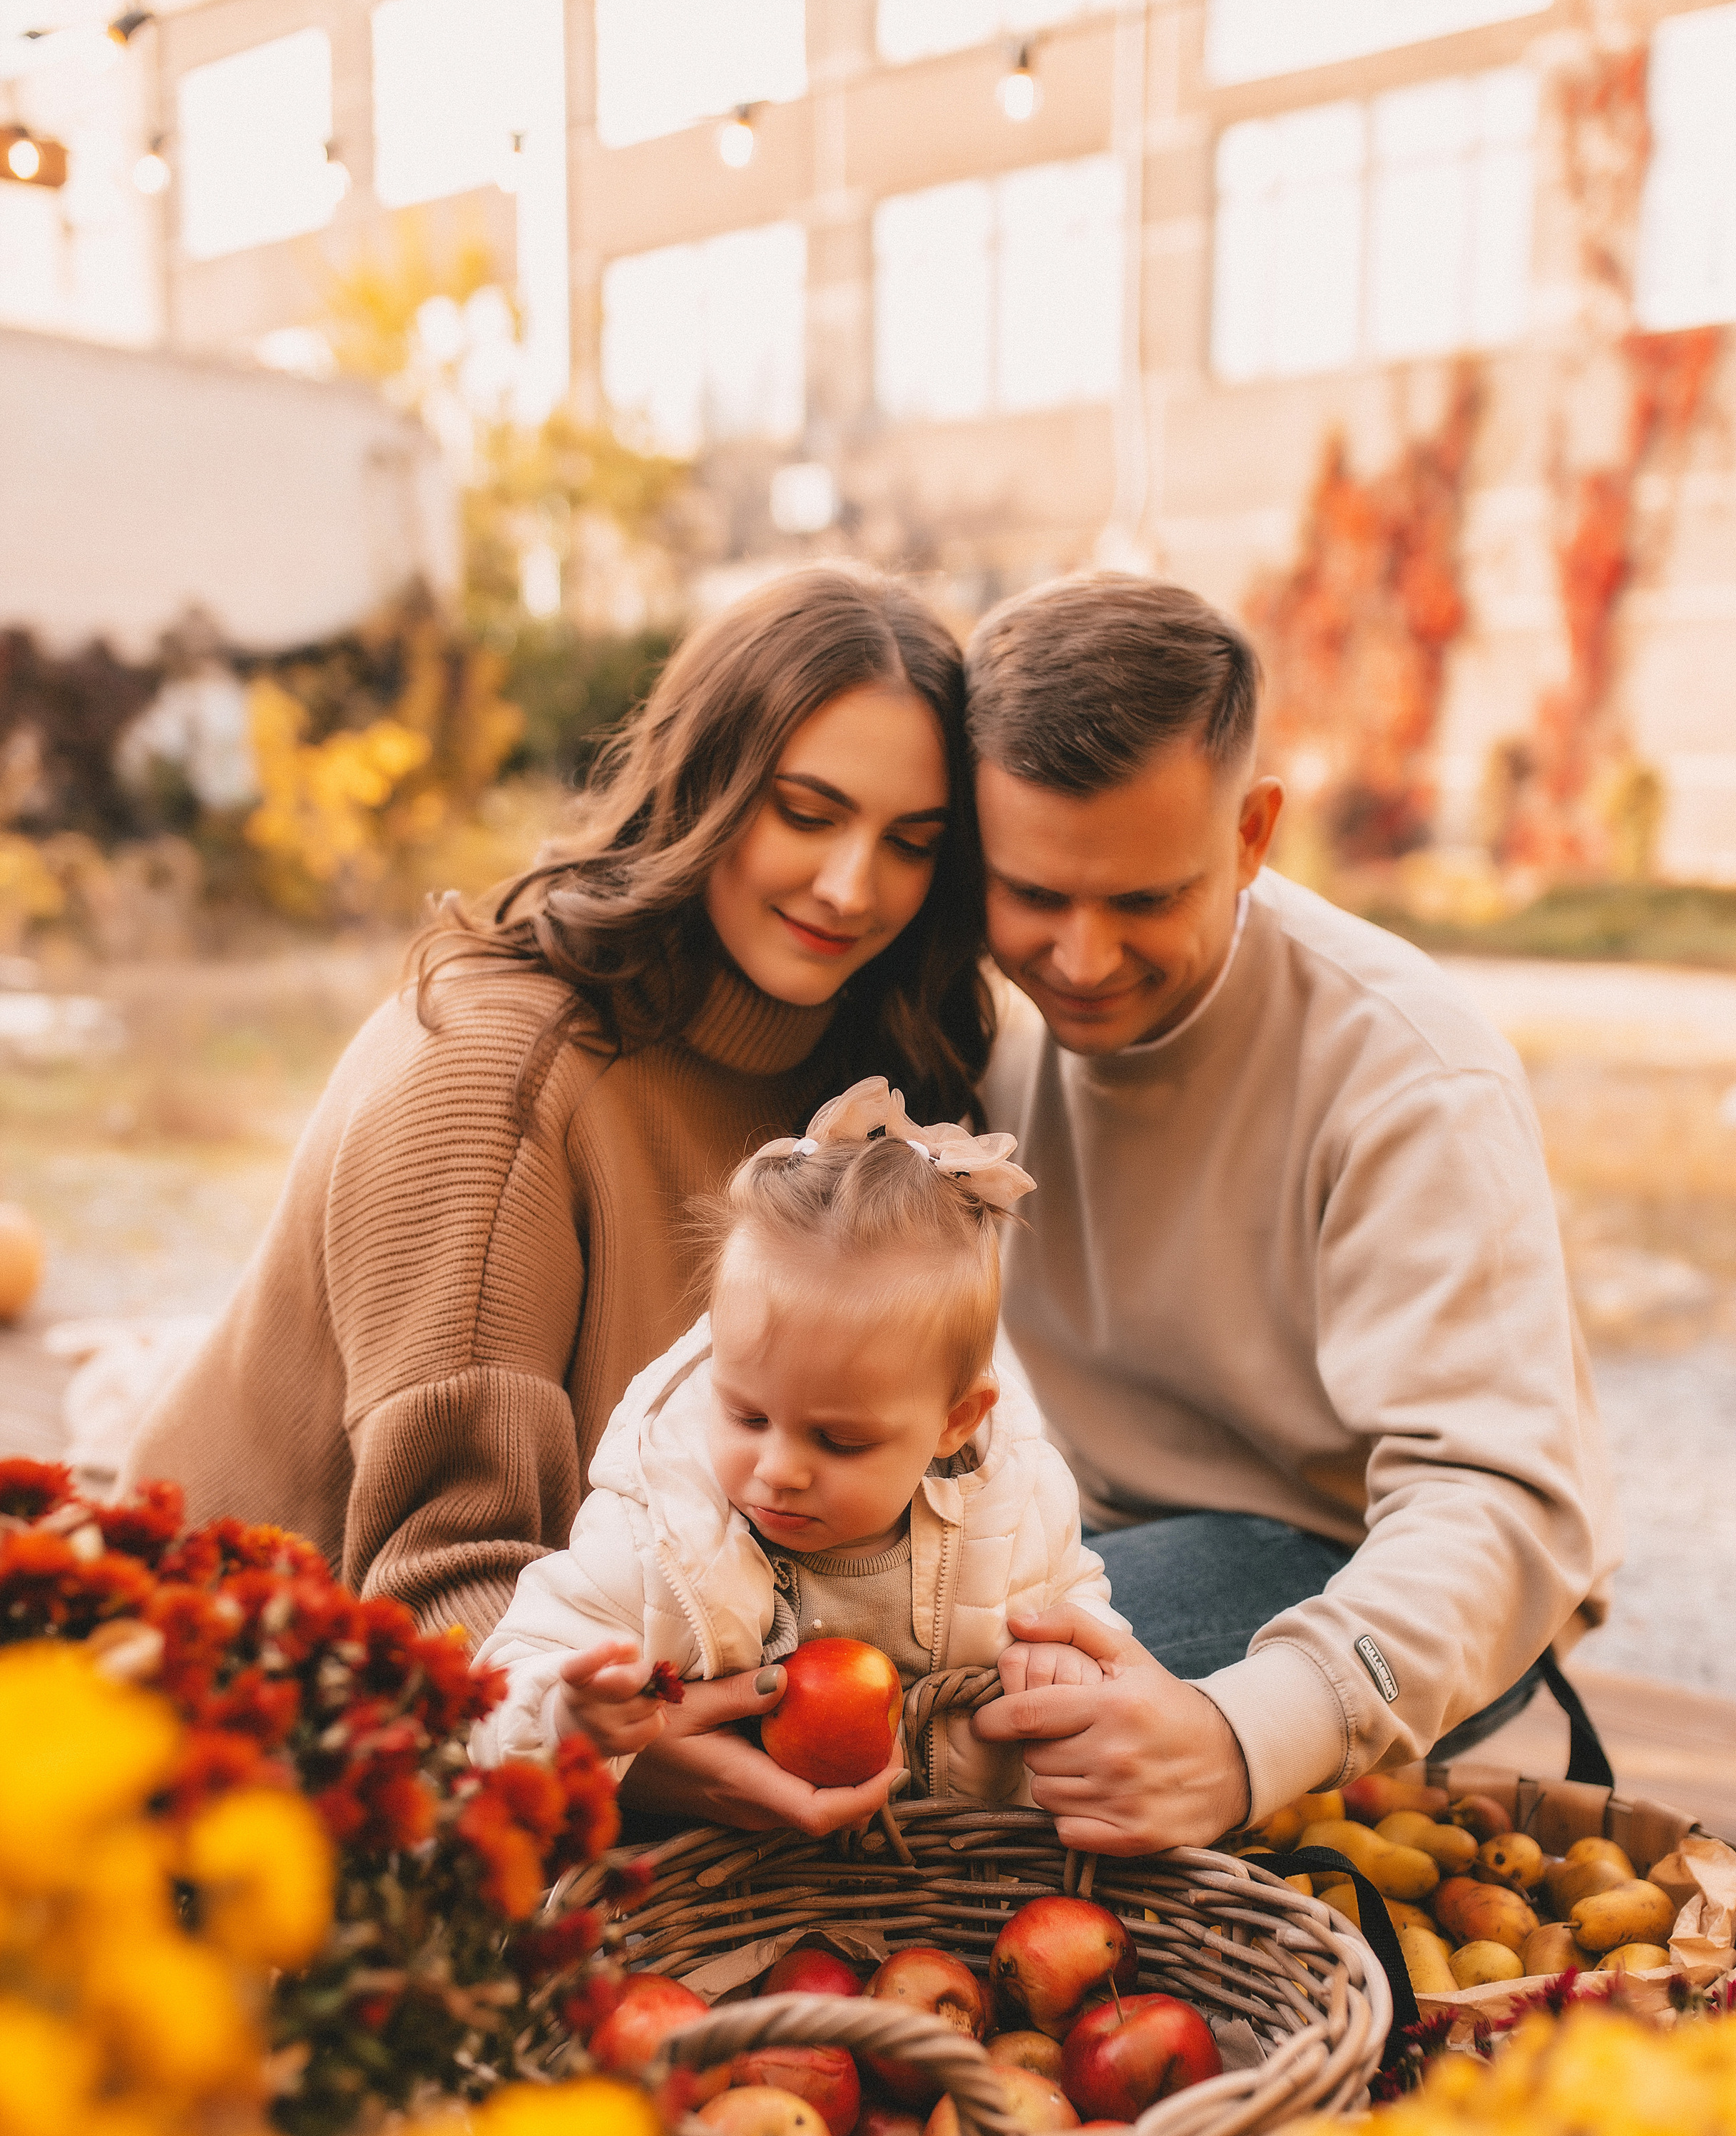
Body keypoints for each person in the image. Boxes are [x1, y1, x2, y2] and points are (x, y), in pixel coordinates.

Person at [128, 566, 994, 1838]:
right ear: (704, 787)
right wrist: (640, 1765)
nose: (853, 887)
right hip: (282, 1725)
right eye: (806, 813)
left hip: (647, 1684)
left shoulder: (859, 1082)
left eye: (912, 844)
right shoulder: (500, 1078)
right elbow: (441, 1588)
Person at [966, 573, 1618, 1856]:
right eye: (1035, 895)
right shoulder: (970, 1007)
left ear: (1253, 834)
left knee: (961, 1725)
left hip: (1371, 1572)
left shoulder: (1408, 1071)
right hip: (1104, 1531)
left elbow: (1499, 1505)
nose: (1082, 961)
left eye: (1149, 899)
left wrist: (1246, 1733)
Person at [471, 1077, 1122, 1814]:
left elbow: (1079, 1605)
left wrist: (1069, 1666)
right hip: (722, 1898)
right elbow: (498, 1690)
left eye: (839, 1441)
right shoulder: (657, 1538)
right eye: (746, 1417)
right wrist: (565, 1717)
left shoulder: (1017, 1510)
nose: (776, 1471)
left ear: (957, 1419)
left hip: (955, 1893)